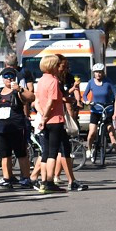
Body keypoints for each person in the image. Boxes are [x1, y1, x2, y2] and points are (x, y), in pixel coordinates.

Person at [34, 55, 84, 193]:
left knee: (45, 152)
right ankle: (49, 182)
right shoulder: (53, 81)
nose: (59, 68)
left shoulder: (41, 80)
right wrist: (45, 117)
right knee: (52, 152)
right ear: (52, 66)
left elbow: (37, 101)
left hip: (46, 119)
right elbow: (52, 101)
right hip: (54, 119)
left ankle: (44, 181)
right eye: (57, 65)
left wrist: (42, 115)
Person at [0, 67, 34, 190]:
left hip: (17, 127)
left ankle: (26, 178)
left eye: (11, 76)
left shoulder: (18, 91)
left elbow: (31, 97)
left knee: (21, 153)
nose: (9, 79)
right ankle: (7, 178)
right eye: (6, 77)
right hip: (1, 128)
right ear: (2, 79)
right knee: (4, 154)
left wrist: (20, 89)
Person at [84, 63, 116, 160]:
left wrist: (115, 103)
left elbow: (115, 93)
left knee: (111, 131)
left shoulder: (108, 82)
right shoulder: (91, 82)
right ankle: (89, 149)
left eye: (100, 72)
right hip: (95, 110)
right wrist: (87, 101)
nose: (98, 74)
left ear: (103, 73)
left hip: (107, 110)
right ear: (93, 73)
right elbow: (85, 95)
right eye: (96, 72)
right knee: (92, 133)